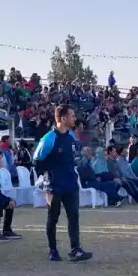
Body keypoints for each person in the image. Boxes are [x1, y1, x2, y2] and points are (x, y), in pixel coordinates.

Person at [34, 105, 91, 262]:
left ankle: (76, 249)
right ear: (63, 118)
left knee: (74, 216)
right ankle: (52, 250)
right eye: (72, 115)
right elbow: (37, 161)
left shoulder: (71, 136)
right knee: (53, 217)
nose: (75, 118)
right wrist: (47, 177)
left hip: (71, 184)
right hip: (54, 186)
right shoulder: (48, 139)